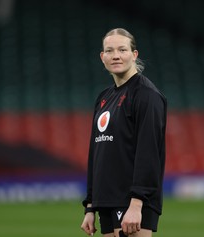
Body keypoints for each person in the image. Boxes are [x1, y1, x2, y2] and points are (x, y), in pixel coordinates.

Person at [80, 28, 167, 237]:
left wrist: (137, 204)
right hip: (106, 201)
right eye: (109, 51)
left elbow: (149, 153)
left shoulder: (146, 95)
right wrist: (90, 206)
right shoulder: (104, 97)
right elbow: (96, 153)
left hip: (132, 202)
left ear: (134, 54)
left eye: (122, 49)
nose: (116, 55)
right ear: (102, 57)